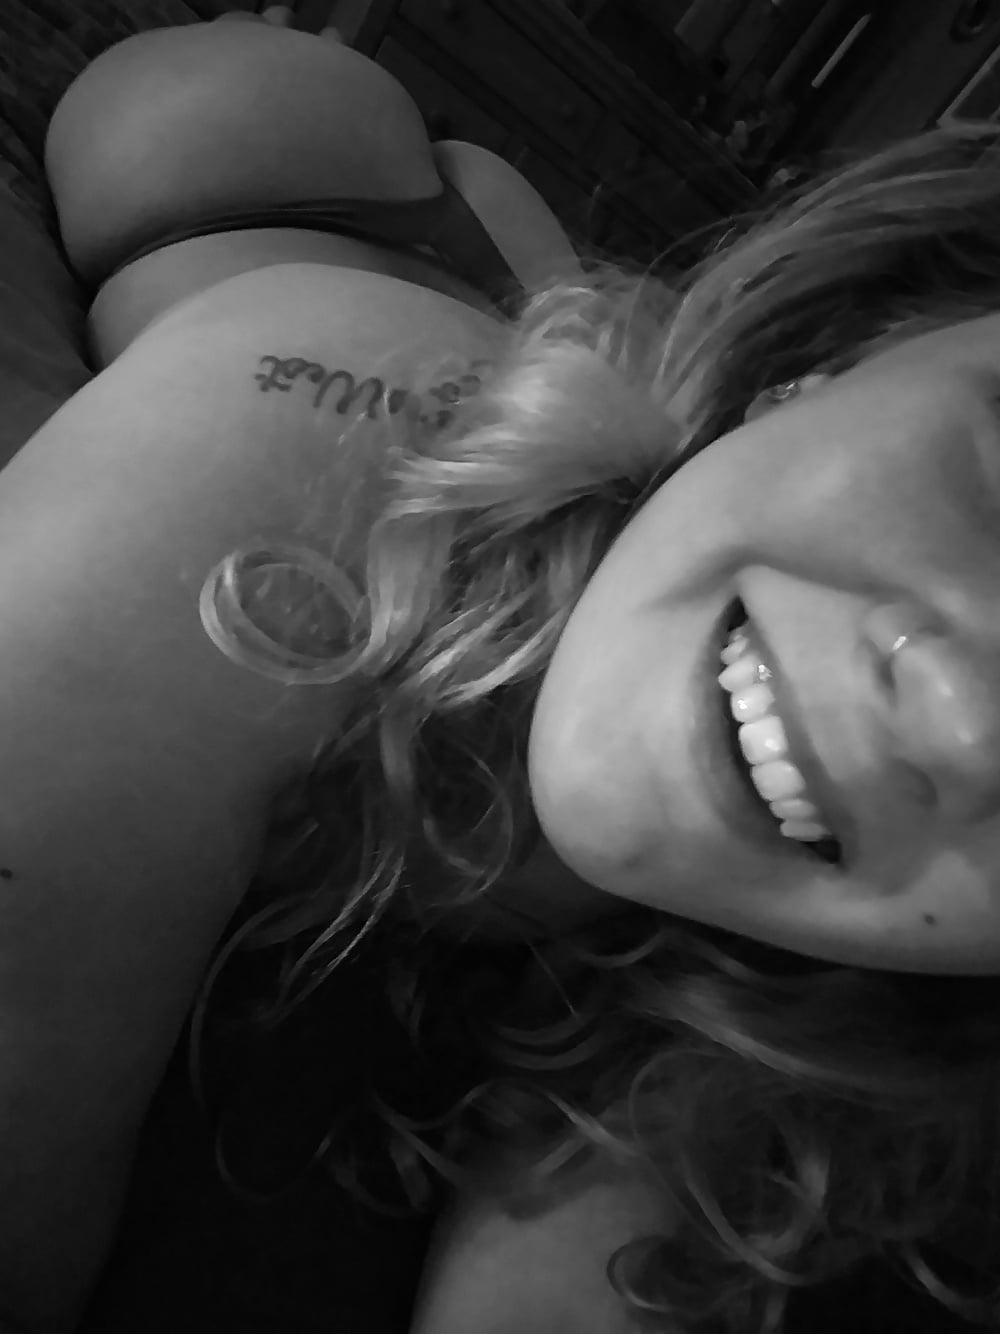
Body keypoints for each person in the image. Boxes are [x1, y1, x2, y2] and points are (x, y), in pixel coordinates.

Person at [2, 5, 998, 1332]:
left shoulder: (909, 1044)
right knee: (209, 121)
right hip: (261, 204)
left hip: (550, 361)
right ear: (848, 345)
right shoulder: (287, 444)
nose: (969, 722)